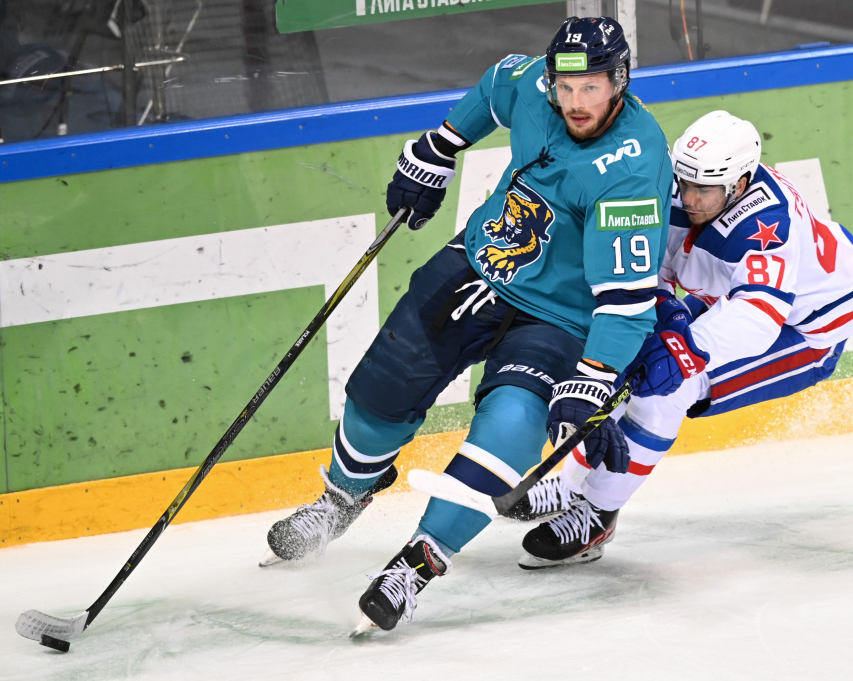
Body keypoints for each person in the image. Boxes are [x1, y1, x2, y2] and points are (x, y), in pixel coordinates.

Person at [260, 17, 674, 632]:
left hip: (560, 317)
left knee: (511, 425)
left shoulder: (632, 168)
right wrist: (442, 144)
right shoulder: (535, 86)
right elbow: (498, 82)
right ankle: (340, 500)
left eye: (591, 87)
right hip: (479, 262)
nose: (575, 102)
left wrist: (595, 376)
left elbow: (627, 300)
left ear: (619, 81)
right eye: (566, 87)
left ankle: (417, 564)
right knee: (381, 390)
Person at [510, 110, 853, 569]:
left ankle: (598, 514)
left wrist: (685, 349)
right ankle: (570, 486)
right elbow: (652, 260)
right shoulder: (684, 185)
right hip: (734, 294)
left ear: (740, 184)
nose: (690, 198)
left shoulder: (767, 227)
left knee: (667, 390)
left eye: (705, 189)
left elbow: (759, 317)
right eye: (685, 184)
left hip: (807, 325)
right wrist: (662, 308)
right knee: (624, 360)